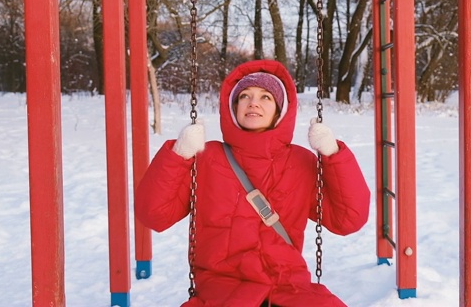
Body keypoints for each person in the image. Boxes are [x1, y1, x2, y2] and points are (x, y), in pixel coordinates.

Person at [135, 59, 371, 307]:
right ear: (233, 107)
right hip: (222, 290)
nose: (253, 102)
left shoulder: (300, 162)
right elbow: (154, 216)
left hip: (288, 287)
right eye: (244, 96)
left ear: (280, 110)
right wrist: (178, 156)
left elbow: (348, 220)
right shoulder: (208, 158)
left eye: (266, 97)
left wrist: (334, 156)